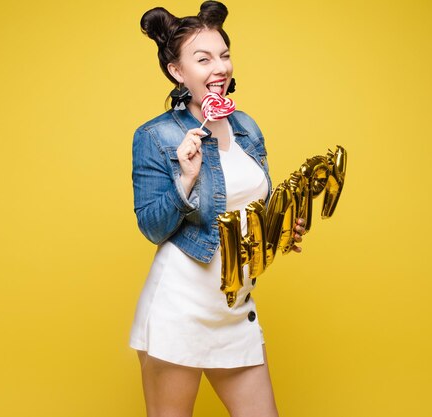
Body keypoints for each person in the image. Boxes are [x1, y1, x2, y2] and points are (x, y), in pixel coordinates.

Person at [130, 2, 306, 416]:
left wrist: (281, 226)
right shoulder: (155, 136)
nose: (220, 67)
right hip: (180, 307)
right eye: (203, 58)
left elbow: (253, 209)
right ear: (177, 71)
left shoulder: (247, 127)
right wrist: (185, 179)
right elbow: (152, 228)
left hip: (235, 305)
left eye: (224, 55)